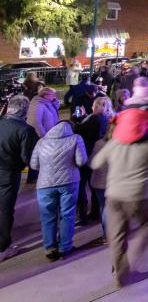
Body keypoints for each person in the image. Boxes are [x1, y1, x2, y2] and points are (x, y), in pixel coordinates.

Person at [90, 110, 148, 287]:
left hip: (114, 196)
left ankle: (120, 273)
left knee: (117, 237)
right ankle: (134, 259)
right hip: (141, 197)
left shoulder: (116, 142)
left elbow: (95, 163)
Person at [30, 119, 87, 260]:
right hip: (69, 181)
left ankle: (50, 248)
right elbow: (81, 161)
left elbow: (34, 165)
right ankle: (65, 247)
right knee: (67, 214)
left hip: (45, 184)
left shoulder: (41, 142)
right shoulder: (75, 138)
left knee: (47, 216)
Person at [0, 95, 38, 261]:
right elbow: (27, 158)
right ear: (24, 110)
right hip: (9, 174)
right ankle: (2, 248)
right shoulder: (25, 130)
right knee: (5, 209)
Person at [74, 96, 110, 224]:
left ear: (100, 107)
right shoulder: (106, 118)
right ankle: (96, 212)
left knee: (82, 184)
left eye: (94, 106)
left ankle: (82, 215)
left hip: (88, 151)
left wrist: (75, 118)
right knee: (94, 184)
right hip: (97, 151)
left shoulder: (96, 118)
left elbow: (78, 129)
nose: (92, 107)